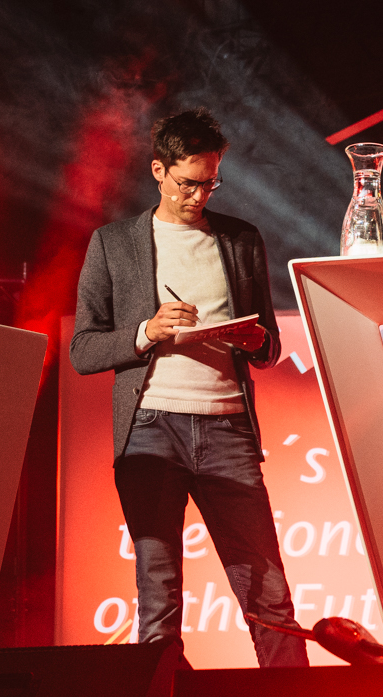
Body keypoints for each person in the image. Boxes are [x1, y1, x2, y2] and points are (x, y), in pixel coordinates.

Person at [70, 108, 308, 667]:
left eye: (210, 183)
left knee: (268, 592)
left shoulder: (241, 239)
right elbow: (83, 349)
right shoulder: (113, 243)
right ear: (159, 170)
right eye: (187, 183)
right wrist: (146, 331)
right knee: (158, 597)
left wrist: (255, 340)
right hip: (151, 428)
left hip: (228, 426)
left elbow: (269, 346)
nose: (198, 196)